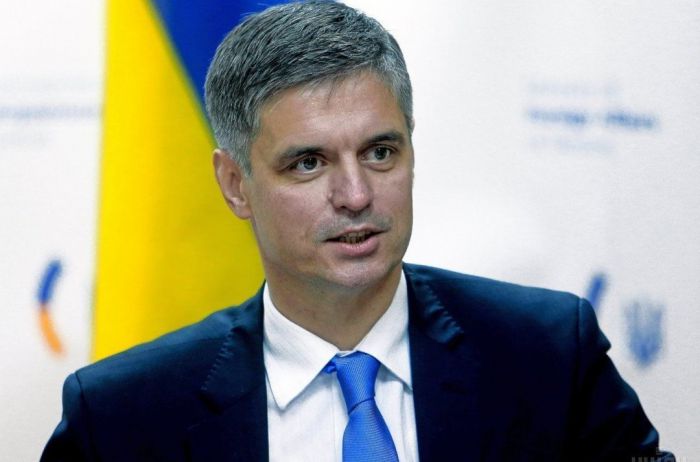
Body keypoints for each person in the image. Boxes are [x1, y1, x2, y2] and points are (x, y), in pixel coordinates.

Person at [42, 1, 673, 461]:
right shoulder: (122, 415)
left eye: (379, 152)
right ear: (235, 184)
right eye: (308, 163)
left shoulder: (549, 356)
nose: (356, 195)